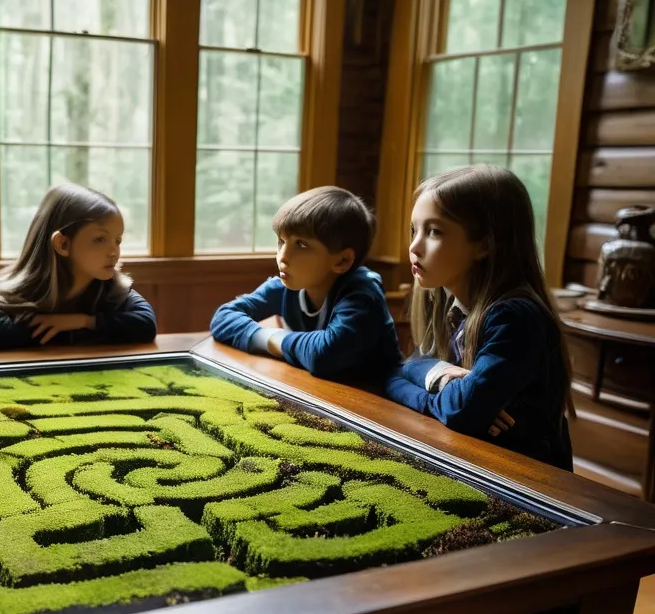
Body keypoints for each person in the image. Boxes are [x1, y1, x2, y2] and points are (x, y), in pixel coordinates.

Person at [384, 164, 573, 470]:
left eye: (434, 231)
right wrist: (440, 376)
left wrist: (445, 394)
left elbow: (462, 411)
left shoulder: (515, 318)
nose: (414, 246)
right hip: (473, 462)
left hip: (528, 484)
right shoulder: (452, 308)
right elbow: (395, 373)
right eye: (413, 230)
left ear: (485, 244)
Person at [209, 186, 402, 386]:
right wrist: (272, 338)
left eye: (301, 245)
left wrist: (280, 341)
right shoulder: (284, 287)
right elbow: (223, 318)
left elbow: (326, 355)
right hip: (318, 393)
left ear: (342, 261)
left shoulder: (362, 292)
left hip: (377, 401)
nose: (282, 257)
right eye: (281, 242)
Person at [0, 183, 157, 350]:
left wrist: (83, 321)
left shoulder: (113, 288)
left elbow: (146, 324)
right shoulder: (11, 293)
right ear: (62, 244)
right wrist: (97, 332)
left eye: (117, 240)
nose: (114, 251)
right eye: (100, 239)